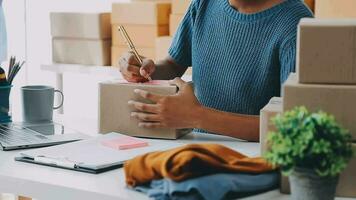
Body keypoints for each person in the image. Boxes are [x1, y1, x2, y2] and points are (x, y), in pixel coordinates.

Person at [118, 0, 313, 141]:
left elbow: (293, 125)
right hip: (198, 146)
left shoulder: (296, 23)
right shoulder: (204, 4)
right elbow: (173, 65)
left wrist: (197, 116)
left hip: (255, 157)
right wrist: (143, 69)